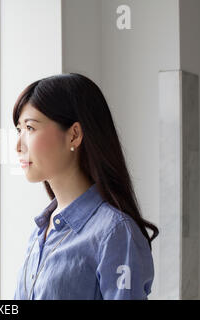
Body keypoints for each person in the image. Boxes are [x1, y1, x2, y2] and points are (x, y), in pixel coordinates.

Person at [13, 73, 159, 300]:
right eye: (19, 130)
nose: (18, 145)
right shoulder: (41, 230)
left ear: (74, 135)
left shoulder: (115, 233)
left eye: (30, 128)